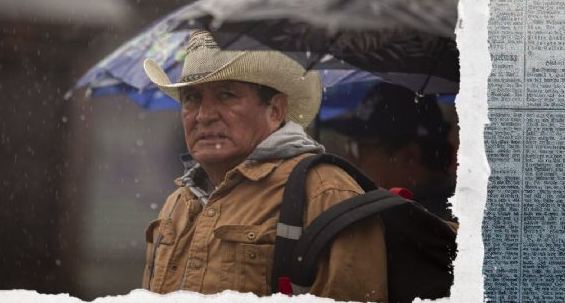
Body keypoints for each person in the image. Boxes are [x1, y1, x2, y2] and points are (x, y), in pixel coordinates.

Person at [140, 30, 387, 300]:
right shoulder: (176, 205)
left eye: (226, 95)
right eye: (192, 98)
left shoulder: (326, 193)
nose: (204, 115)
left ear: (275, 111)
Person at [325, 82, 457, 221]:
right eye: (349, 146)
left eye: (360, 149)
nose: (350, 160)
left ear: (409, 157)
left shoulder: (417, 227)